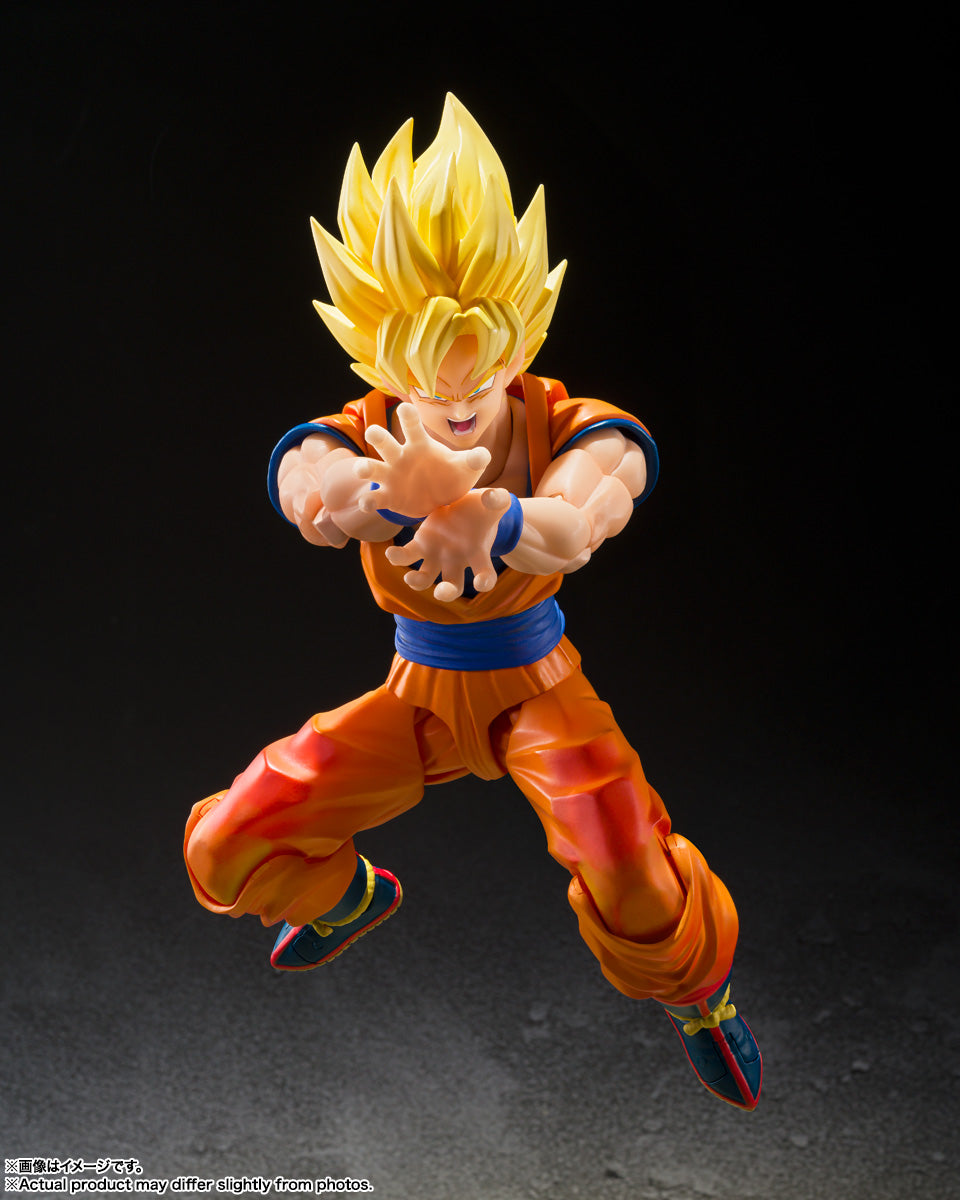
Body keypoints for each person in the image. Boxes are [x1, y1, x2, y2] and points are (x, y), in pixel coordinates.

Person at [184, 94, 762, 1110]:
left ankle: (700, 995)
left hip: (539, 688)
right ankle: (346, 898)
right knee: (227, 843)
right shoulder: (359, 427)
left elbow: (581, 520)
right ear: (378, 350)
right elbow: (313, 497)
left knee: (628, 866)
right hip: (416, 695)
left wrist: (493, 516)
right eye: (426, 377)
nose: (456, 401)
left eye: (482, 370)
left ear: (522, 330)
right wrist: (382, 495)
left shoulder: (575, 423)